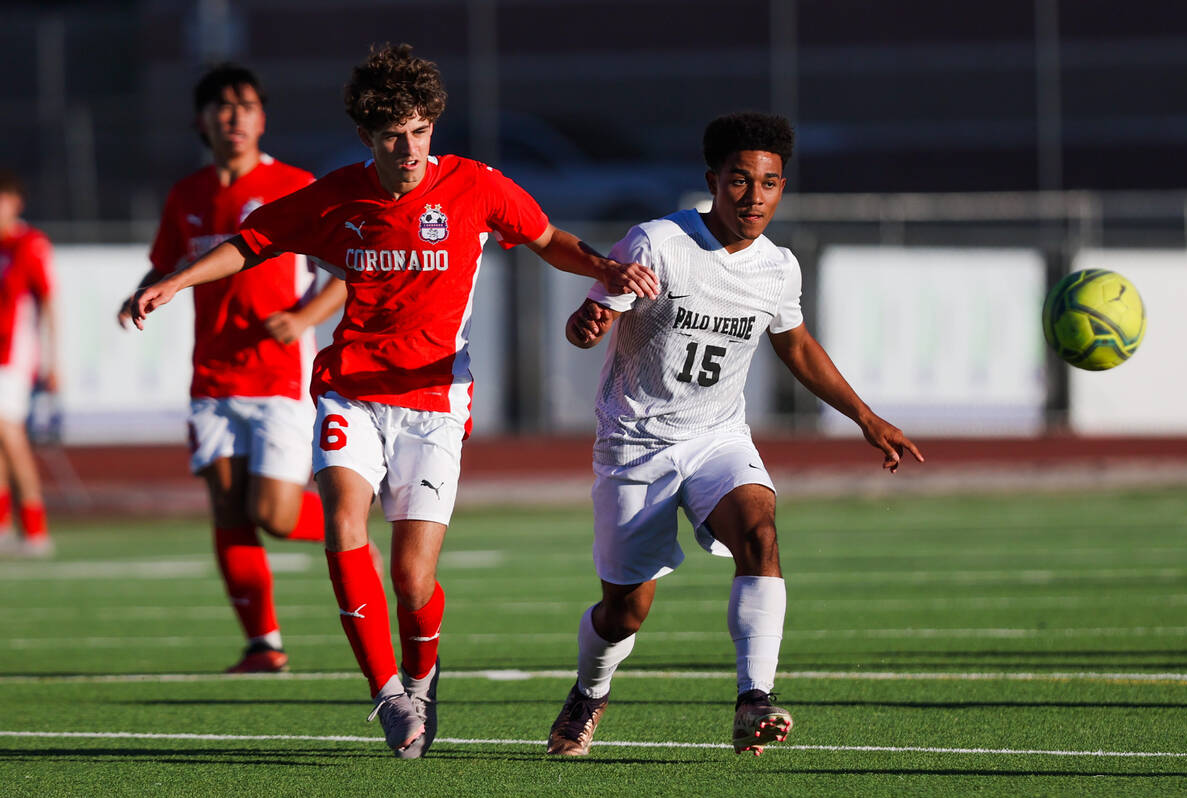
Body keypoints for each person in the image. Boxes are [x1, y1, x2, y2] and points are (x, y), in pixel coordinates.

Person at [129, 43, 659, 759]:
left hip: (435, 399)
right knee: (344, 525)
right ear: (366, 138)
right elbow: (252, 243)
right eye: (390, 137)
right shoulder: (338, 194)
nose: (407, 149)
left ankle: (421, 676)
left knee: (412, 578)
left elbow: (545, 238)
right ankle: (386, 694)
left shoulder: (476, 186)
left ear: (432, 125)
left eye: (417, 131)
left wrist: (604, 267)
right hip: (350, 391)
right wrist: (173, 283)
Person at [547, 112, 924, 757]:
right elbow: (592, 317)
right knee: (624, 613)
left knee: (760, 531)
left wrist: (866, 418)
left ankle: (754, 701)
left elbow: (796, 345)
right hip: (636, 445)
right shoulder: (657, 243)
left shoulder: (778, 268)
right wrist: (588, 324)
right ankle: (590, 692)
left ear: (783, 188)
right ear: (712, 181)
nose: (755, 197)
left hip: (718, 438)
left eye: (770, 183)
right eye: (740, 181)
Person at [118, 64, 350, 674]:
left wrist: (304, 320)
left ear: (262, 118)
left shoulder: (295, 185)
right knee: (227, 508)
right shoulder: (187, 195)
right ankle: (263, 645)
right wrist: (142, 292)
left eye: (246, 106)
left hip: (280, 381)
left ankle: (351, 531)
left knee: (272, 512)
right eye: (222, 107)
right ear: (202, 121)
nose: (235, 117)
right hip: (213, 380)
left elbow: (347, 273)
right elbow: (167, 266)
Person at [0, 169, 57, 559]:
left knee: (10, 432)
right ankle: (3, 526)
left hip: (12, 355)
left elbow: (49, 302)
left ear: (15, 203)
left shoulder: (29, 243)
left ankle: (36, 529)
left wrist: (53, 359)